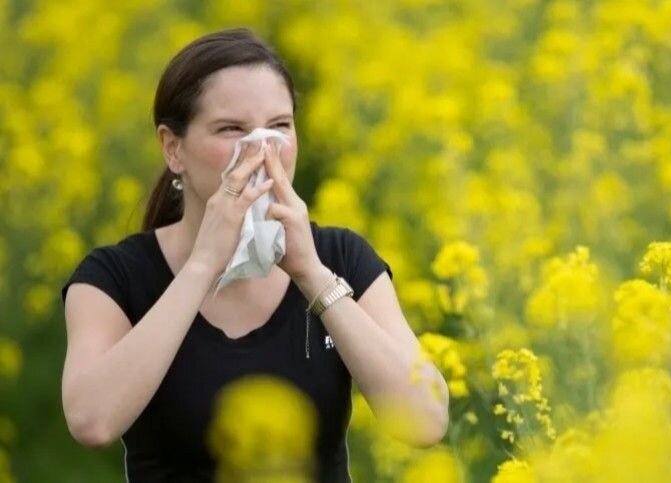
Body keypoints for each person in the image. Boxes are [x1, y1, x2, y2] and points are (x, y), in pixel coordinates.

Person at [59, 27, 449, 482]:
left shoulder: (341, 258)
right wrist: (203, 265)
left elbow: (427, 422)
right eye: (232, 130)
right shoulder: (114, 277)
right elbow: (92, 420)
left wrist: (312, 274)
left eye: (279, 127)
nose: (263, 150)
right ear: (173, 148)